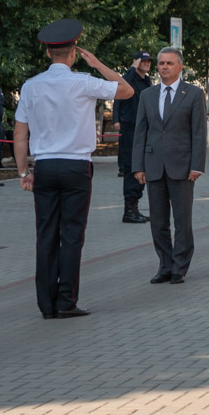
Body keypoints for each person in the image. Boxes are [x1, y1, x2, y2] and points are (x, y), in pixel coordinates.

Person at [14, 19, 132, 319]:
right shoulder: (84, 81)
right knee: (72, 236)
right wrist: (97, 63)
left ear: (47, 53)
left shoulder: (30, 86)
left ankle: (46, 305)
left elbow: (20, 133)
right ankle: (66, 301)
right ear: (74, 53)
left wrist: (23, 172)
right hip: (76, 167)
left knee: (45, 235)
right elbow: (127, 90)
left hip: (45, 166)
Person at [131, 47, 206, 284]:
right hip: (153, 165)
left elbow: (198, 132)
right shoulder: (147, 95)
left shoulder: (193, 94)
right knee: (158, 221)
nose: (164, 67)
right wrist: (138, 166)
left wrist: (197, 165)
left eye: (169, 63)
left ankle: (179, 266)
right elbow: (140, 132)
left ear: (180, 67)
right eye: (161, 63)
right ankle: (165, 265)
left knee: (182, 220)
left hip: (182, 166)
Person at [112, 51, 152, 224]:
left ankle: (135, 208)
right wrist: (116, 119)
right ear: (136, 62)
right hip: (130, 128)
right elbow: (118, 95)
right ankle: (128, 211)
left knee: (142, 167)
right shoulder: (129, 78)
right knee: (130, 167)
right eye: (143, 60)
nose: (147, 63)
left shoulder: (147, 81)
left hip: (145, 129)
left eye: (149, 61)